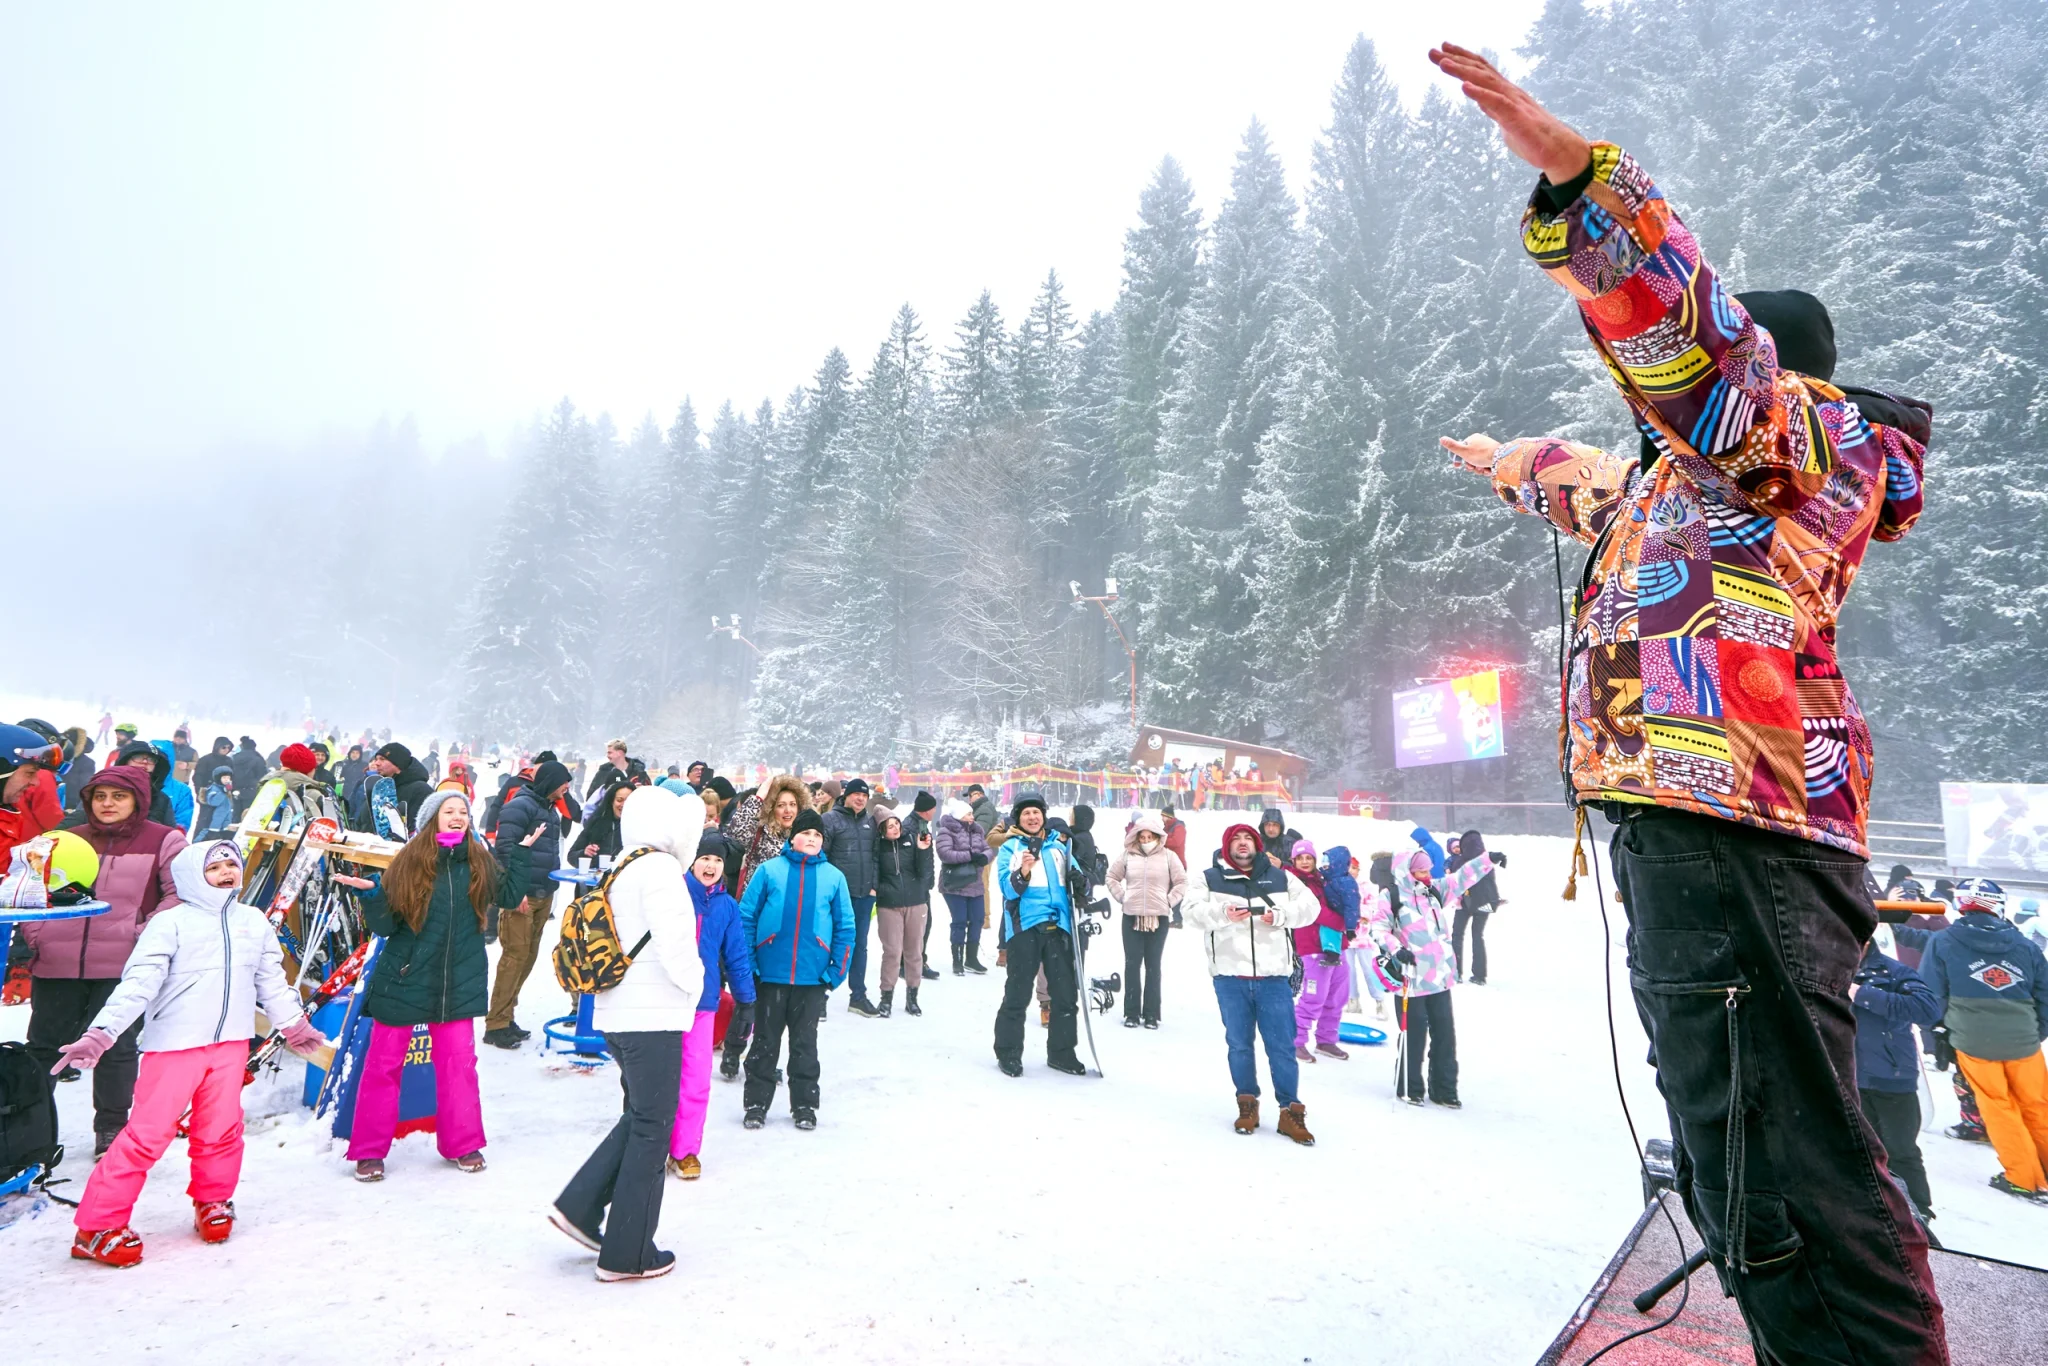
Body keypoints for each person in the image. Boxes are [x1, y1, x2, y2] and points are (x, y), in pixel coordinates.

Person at [1430, 42, 1943, 1360]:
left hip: (1737, 826)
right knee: (1735, 1155)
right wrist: (1509, 462)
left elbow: (1697, 352)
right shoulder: (1697, 485)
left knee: (1785, 1176)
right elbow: (1594, 485)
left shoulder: (1797, 439)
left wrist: (1585, 194)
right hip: (1695, 829)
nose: (1664, 423)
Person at [51, 841, 324, 1267]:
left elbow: (271, 981)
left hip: (230, 1045)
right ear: (192, 875)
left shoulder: (253, 921)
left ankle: (213, 1200)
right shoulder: (170, 923)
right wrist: (102, 1033)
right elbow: (137, 983)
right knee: (147, 1135)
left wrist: (292, 1023)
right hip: (175, 1047)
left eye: (231, 863)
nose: (226, 871)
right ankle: (96, 1226)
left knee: (221, 1130)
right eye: (214, 867)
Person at [550, 786, 705, 1281]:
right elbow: (677, 948)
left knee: (640, 1116)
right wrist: (698, 985)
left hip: (618, 1013)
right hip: (652, 1017)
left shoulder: (623, 865)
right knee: (652, 1128)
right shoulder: (661, 870)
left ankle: (580, 1207)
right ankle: (628, 1253)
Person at [18, 766, 185, 1154]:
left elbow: (178, 896)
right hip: (58, 961)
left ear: (138, 800)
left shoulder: (164, 840)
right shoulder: (65, 839)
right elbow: (29, 889)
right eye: (100, 796)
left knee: (116, 1048)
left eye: (118, 796)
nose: (107, 804)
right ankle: (29, 1131)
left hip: (121, 967)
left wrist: (142, 937)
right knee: (44, 1048)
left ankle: (111, 1128)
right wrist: (39, 934)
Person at [331, 790, 492, 1181]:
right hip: (404, 977)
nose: (458, 816)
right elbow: (386, 926)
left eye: (463, 811)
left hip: (456, 982)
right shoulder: (408, 861)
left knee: (459, 1067)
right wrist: (372, 896)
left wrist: (520, 855)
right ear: (432, 818)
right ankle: (369, 1151)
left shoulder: (478, 860)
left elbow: (503, 896)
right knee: (383, 1066)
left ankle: (463, 1143)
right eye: (449, 810)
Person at [1182, 823, 1320, 1143]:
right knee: (1239, 1045)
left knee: (1282, 1047)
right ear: (1227, 846)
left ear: (1258, 845)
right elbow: (1190, 912)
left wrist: (1281, 915)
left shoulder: (1280, 877)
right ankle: (1247, 1104)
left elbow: (1310, 906)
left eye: (1248, 838)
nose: (1243, 843)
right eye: (1236, 839)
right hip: (1230, 978)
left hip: (1273, 978)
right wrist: (1223, 913)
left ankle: (1290, 1110)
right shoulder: (1209, 878)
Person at [1915, 878, 2048, 1203]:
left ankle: (2022, 1178)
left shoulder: (1942, 941)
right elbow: (2045, 995)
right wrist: (2036, 1032)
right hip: (2023, 1040)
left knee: (1998, 1107)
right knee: (2038, 1104)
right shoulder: (2026, 945)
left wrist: (1938, 1031)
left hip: (1972, 1040)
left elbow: (1932, 995)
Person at [737, 809, 854, 1129]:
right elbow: (746, 917)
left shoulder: (834, 877)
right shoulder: (769, 871)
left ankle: (804, 1104)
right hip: (769, 975)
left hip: (811, 979)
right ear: (793, 837)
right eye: (806, 833)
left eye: (817, 835)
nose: (812, 839)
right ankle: (756, 1103)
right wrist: (751, 964)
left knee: (805, 1045)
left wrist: (834, 972)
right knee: (764, 1042)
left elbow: (846, 928)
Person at [1369, 850, 1488, 1106]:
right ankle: (1409, 1087)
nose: (1426, 875)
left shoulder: (1433, 891)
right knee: (1413, 1036)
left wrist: (1488, 860)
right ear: (1407, 872)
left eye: (1428, 870)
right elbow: (1377, 928)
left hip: (1440, 977)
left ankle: (1444, 1089)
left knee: (1445, 1035)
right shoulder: (1392, 895)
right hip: (1411, 979)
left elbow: (1461, 878)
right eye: (1421, 871)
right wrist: (1396, 948)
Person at [670, 832, 754, 1180]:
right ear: (692, 861)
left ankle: (685, 1150)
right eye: (705, 858)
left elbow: (736, 956)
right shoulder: (672, 894)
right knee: (657, 1079)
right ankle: (650, 1146)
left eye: (718, 860)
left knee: (696, 1079)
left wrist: (746, 999)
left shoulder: (727, 907)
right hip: (665, 1000)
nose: (711, 866)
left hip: (703, 1003)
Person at [990, 794, 1085, 1078]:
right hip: (1025, 928)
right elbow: (1008, 890)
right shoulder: (1010, 847)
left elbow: (1079, 881)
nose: (1032, 817)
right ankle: (1008, 1053)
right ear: (1018, 818)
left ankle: (1061, 1053)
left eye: (1036, 812)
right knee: (1017, 994)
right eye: (1026, 813)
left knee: (1065, 996)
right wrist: (1024, 871)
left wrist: (1081, 882)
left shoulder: (1059, 847)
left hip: (1059, 927)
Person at [1852, 937, 1943, 1221]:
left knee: (1901, 1150)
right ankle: (1872, 1207)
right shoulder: (1825, 968)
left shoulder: (1892, 971)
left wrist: (1862, 993)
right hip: (1847, 1078)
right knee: (1859, 1149)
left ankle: (1918, 1211)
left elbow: (1928, 1009)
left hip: (1892, 1079)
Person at [483, 758, 570, 1048]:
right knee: (514, 957)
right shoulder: (520, 806)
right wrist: (515, 890)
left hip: (543, 892)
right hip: (522, 894)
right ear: (550, 782)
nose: (567, 788)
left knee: (528, 956)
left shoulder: (548, 807)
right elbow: (505, 850)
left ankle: (507, 1015)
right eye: (563, 783)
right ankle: (496, 1024)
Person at [1106, 809, 1184, 1029]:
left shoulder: (1169, 856)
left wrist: (1168, 901)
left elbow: (1181, 881)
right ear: (1137, 837)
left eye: (1150, 837)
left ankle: (1151, 1014)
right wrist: (1123, 897)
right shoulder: (1127, 855)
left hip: (1158, 918)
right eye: (1142, 837)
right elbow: (1112, 877)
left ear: (1158, 837)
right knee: (1132, 965)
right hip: (1131, 917)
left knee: (1153, 965)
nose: (1146, 840)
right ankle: (1131, 1013)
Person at [1289, 840, 1354, 1062]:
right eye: (1300, 858)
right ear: (1294, 861)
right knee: (1314, 997)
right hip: (1312, 946)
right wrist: (1343, 922)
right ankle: (1296, 1040)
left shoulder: (1323, 879)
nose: (1305, 862)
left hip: (1336, 946)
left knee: (1337, 995)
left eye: (1308, 858)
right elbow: (1315, 911)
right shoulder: (1294, 883)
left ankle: (1326, 1039)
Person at [822, 776, 880, 1017]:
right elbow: (821, 857)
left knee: (859, 946)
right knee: (828, 944)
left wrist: (874, 886)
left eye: (865, 796)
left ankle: (858, 996)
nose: (860, 799)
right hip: (837, 898)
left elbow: (876, 856)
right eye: (857, 794)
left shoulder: (870, 822)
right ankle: (819, 995)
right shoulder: (829, 820)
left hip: (864, 896)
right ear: (846, 796)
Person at [871, 811, 932, 1017]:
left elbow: (924, 872)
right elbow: (874, 873)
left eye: (897, 823)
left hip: (916, 903)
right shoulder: (877, 847)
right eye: (890, 826)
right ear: (882, 829)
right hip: (889, 905)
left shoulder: (911, 841)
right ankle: (886, 997)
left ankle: (912, 997)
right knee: (892, 952)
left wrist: (923, 850)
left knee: (914, 952)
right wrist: (881, 891)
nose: (895, 828)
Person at [935, 797, 990, 975]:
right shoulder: (946, 831)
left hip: (975, 881)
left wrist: (985, 857)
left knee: (978, 919)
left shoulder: (977, 830)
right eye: (968, 814)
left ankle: (971, 958)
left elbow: (987, 848)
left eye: (972, 813)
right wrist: (970, 856)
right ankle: (957, 960)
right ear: (959, 815)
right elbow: (945, 853)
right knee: (959, 920)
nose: (972, 817)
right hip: (955, 884)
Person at [1447, 829, 1506, 985]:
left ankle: (1456, 972)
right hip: (1485, 903)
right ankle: (1479, 975)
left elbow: (1455, 881)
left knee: (1457, 935)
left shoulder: (1461, 862)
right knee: (1477, 936)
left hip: (1464, 903)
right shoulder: (1486, 860)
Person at [907, 790, 941, 981]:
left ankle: (917, 961)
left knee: (924, 925)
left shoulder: (921, 825)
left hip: (921, 884)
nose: (935, 811)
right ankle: (911, 963)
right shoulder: (910, 827)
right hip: (913, 885)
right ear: (927, 810)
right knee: (917, 927)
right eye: (933, 808)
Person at [575, 781, 633, 865]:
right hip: (600, 872)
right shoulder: (597, 822)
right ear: (611, 801)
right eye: (619, 800)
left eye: (628, 801)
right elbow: (572, 855)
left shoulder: (642, 828)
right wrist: (585, 853)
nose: (623, 805)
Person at [149, 741, 194, 835]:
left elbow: (182, 822)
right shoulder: (132, 784)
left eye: (161, 758)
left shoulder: (182, 790)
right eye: (151, 758)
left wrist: (173, 837)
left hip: (164, 840)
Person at [228, 737, 266, 819]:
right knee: (249, 816)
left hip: (236, 789)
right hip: (251, 790)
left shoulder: (233, 758)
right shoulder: (258, 759)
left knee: (236, 814)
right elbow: (262, 776)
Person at [197, 770, 236, 835]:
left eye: (228, 778)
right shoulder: (214, 789)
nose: (227, 780)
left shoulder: (226, 789)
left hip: (225, 821)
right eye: (224, 778)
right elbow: (214, 802)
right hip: (213, 823)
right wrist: (223, 791)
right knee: (209, 834)